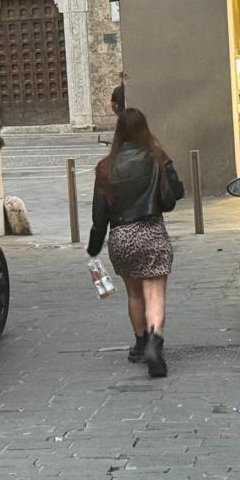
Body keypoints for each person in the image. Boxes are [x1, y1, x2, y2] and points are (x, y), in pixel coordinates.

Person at [87, 108, 184, 377]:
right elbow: (175, 194)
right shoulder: (157, 157)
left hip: (121, 236)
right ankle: (154, 342)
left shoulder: (105, 167)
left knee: (134, 293)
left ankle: (140, 343)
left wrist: (93, 248)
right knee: (154, 292)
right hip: (151, 232)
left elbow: (99, 216)